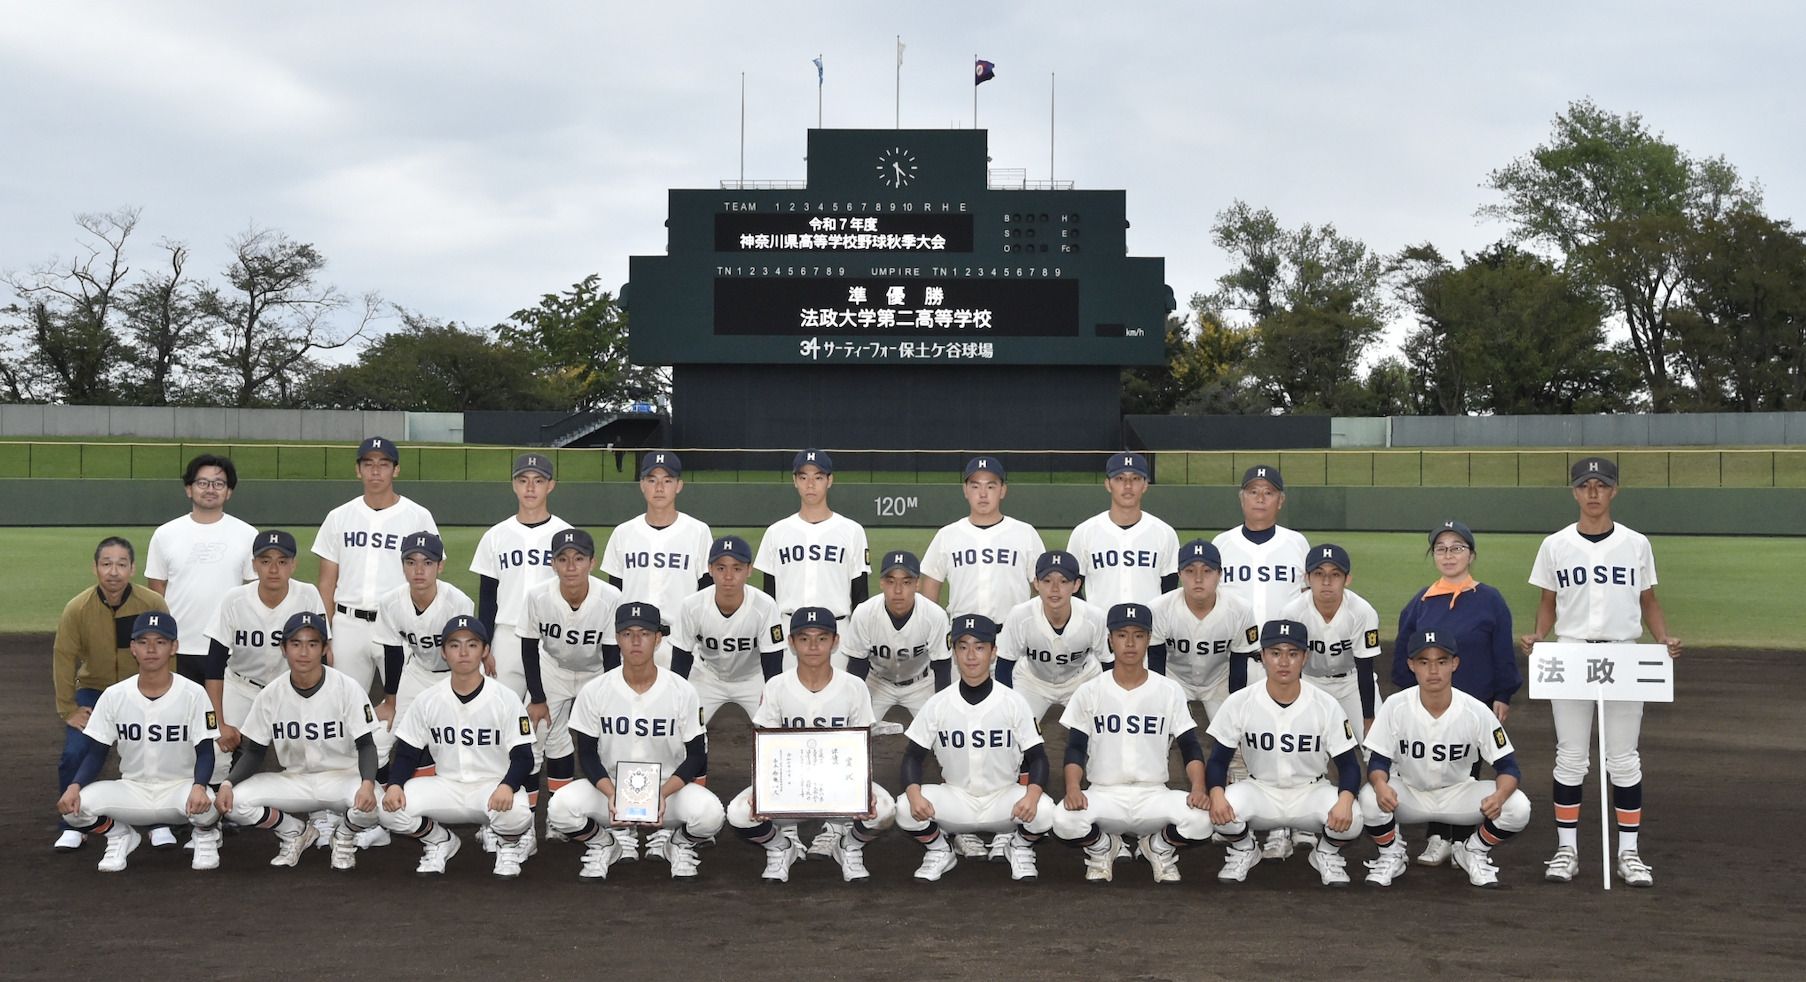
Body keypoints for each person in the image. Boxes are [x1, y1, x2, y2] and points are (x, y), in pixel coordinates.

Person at [1522, 456, 1681, 888]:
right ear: (1574, 492)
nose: (1593, 492)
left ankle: (1629, 854)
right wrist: (1538, 635)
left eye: (1601, 485)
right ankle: (1566, 850)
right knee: (1571, 758)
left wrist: (1663, 638)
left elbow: (1648, 601)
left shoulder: (1636, 544)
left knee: (1624, 760)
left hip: (1624, 654)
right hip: (1571, 654)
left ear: (1614, 491)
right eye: (1585, 485)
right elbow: (1548, 603)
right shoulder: (1555, 544)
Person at [546, 602, 725, 881]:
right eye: (628, 634)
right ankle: (605, 843)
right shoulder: (595, 691)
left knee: (711, 815)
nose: (636, 641)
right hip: (612, 787)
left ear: (658, 638)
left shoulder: (682, 690)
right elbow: (588, 755)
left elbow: (695, 756)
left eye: (644, 633)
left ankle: (676, 843)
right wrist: (610, 794)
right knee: (559, 808)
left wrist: (663, 794)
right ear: (617, 638)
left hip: (669, 789)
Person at [724, 608, 896, 884]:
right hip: (790, 785)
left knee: (884, 809)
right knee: (739, 812)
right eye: (804, 639)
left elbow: (862, 748)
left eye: (822, 638)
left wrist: (864, 790)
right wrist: (762, 790)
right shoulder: (777, 686)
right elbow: (767, 749)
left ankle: (848, 846)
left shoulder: (854, 686)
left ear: (835, 641)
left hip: (841, 784)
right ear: (791, 643)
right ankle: (781, 847)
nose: (813, 646)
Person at [1052, 603, 1213, 884]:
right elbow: (1075, 748)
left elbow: (1190, 746)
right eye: (1122, 634)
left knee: (1202, 820)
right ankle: (1104, 847)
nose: (1130, 643)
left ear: (1149, 639)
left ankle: (1158, 847)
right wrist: (1073, 788)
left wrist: (1199, 788)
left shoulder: (1168, 690)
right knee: (1063, 820)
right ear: (1110, 640)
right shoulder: (1090, 691)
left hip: (1154, 795)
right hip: (1103, 795)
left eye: (1138, 635)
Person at [1392, 519, 1521, 867]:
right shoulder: (1421, 601)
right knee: (1432, 766)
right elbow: (1404, 651)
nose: (1448, 555)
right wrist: (1409, 698)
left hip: (1475, 701)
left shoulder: (1489, 599)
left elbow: (1502, 652)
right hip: (1429, 703)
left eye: (1457, 548)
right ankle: (1438, 837)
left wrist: (1503, 695)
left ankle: (1463, 839)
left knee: (1466, 768)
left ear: (1471, 555)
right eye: (1441, 549)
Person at [1359, 631, 1531, 888]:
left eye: (1441, 661)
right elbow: (1379, 762)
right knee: (1369, 797)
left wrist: (1499, 796)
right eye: (1424, 662)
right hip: (1409, 794)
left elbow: (1508, 766)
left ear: (1454, 664)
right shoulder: (1395, 706)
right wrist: (1381, 784)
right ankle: (1392, 853)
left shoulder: (1476, 711)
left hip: (1459, 795)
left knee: (1517, 807)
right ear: (1412, 666)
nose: (1433, 670)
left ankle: (1473, 850)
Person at [214, 612, 383, 870]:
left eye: (312, 644)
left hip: (341, 779)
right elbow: (255, 752)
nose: (304, 652)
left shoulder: (347, 688)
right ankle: (294, 831)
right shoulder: (270, 694)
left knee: (377, 808)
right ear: (284, 648)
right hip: (294, 781)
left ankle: (344, 835)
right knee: (233, 802)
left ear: (325, 648)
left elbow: (366, 745)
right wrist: (227, 783)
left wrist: (368, 784)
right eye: (296, 644)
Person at [56, 611, 222, 872]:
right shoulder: (114, 695)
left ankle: (205, 835)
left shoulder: (194, 694)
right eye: (143, 642)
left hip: (179, 791)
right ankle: (120, 834)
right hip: (132, 791)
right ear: (133, 648)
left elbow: (205, 752)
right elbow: (96, 753)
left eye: (160, 642)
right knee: (73, 809)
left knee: (209, 804)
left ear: (174, 647)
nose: (152, 649)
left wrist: (199, 786)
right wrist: (75, 785)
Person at [897, 614, 1055, 882]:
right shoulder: (937, 703)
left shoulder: (1013, 702)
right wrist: (914, 794)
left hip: (1005, 801)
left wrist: (1031, 795)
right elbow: (912, 756)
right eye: (963, 646)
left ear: (993, 652)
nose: (971, 655)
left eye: (979, 646)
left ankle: (1019, 846)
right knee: (903, 807)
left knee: (1046, 809)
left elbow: (1038, 758)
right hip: (955, 799)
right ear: (954, 652)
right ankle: (939, 850)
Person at [1207, 619, 1364, 888]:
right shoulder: (1240, 702)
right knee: (1219, 811)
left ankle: (1325, 853)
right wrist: (1217, 794)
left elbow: (1349, 765)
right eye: (1276, 653)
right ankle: (1246, 848)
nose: (1284, 662)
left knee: (1354, 820)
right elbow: (1218, 760)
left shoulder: (1326, 705)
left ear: (1305, 657)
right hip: (1259, 790)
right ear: (1263, 656)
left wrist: (1346, 799)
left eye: (1292, 654)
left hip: (1311, 793)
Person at [377, 615, 536, 877]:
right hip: (446, 786)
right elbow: (407, 753)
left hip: (492, 786)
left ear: (485, 651)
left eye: (472, 645)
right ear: (443, 652)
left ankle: (508, 845)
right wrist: (394, 784)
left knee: (518, 813)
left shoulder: (505, 699)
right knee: (389, 809)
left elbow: (524, 757)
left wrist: (507, 785)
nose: (463, 652)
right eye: (454, 645)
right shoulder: (428, 699)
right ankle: (439, 840)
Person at [1212, 464, 1312, 858]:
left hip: (1282, 659)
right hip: (1236, 659)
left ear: (1280, 500)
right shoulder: (1222, 544)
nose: (1259, 498)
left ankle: (1289, 825)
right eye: (1252, 491)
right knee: (1240, 741)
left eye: (1268, 492)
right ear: (1241, 498)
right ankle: (1240, 818)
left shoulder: (1296, 543)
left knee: (1285, 740)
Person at [52, 536, 169, 851]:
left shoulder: (152, 604)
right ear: (95, 568)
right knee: (75, 753)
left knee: (155, 750)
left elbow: (168, 650)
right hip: (94, 691)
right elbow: (64, 657)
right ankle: (72, 824)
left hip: (141, 690)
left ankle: (158, 823)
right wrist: (68, 709)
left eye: (120, 564)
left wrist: (165, 694)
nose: (113, 571)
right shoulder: (78, 608)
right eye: (106, 564)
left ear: (132, 568)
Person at [313, 436, 440, 696]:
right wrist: (324, 632)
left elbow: (434, 571)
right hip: (348, 624)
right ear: (358, 469)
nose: (375, 470)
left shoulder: (417, 516)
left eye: (383, 464)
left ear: (396, 470)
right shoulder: (339, 517)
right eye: (368, 463)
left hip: (396, 623)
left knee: (406, 700)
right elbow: (326, 583)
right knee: (341, 702)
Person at [201, 531, 325, 788]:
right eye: (265, 560)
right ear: (254, 564)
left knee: (315, 746)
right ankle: (210, 820)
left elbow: (320, 657)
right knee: (215, 747)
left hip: (289, 688)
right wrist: (220, 722)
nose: (273, 569)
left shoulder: (308, 596)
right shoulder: (234, 599)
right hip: (240, 686)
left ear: (293, 565)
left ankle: (319, 814)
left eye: (282, 561)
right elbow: (214, 664)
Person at [517, 529, 622, 813]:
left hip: (596, 672)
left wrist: (609, 696)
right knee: (537, 735)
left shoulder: (611, 597)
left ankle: (612, 813)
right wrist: (537, 698)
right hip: (554, 671)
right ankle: (529, 819)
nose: (571, 566)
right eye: (563, 559)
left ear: (593, 563)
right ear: (552, 563)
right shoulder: (538, 596)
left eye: (579, 558)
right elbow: (529, 647)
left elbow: (613, 654)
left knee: (610, 740)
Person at [145, 453, 256, 685]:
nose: (210, 489)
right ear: (189, 488)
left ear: (229, 491)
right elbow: (157, 591)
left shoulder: (247, 535)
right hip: (178, 646)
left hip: (228, 647)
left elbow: (253, 593)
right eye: (202, 483)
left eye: (219, 484)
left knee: (221, 719)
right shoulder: (165, 534)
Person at [471, 452, 572, 704]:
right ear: (514, 485)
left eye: (538, 481)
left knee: (544, 719)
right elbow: (487, 596)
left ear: (550, 486)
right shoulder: (496, 536)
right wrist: (484, 643)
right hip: (507, 635)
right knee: (498, 711)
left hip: (551, 636)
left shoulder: (566, 535)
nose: (530, 487)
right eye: (523, 479)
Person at [601, 450, 713, 665]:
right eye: (652, 480)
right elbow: (615, 596)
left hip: (682, 641)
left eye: (667, 480)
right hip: (634, 642)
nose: (659, 488)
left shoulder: (697, 531)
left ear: (679, 485)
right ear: (642, 484)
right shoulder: (624, 533)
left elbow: (705, 594)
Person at [372, 531, 476, 759]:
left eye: (427, 563)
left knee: (462, 742)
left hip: (455, 677)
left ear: (440, 566)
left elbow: (466, 658)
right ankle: (378, 794)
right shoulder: (390, 603)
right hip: (417, 674)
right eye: (411, 562)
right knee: (378, 738)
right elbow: (393, 652)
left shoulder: (458, 603)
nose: (419, 571)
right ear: (402, 566)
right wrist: (390, 702)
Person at [668, 535, 787, 724]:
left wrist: (773, 698)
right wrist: (677, 698)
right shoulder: (692, 605)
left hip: (752, 678)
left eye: (737, 568)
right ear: (710, 569)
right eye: (721, 568)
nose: (729, 576)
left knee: (772, 725)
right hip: (707, 676)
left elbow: (773, 661)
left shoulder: (764, 606)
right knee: (682, 722)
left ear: (749, 570)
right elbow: (681, 657)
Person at [754, 449, 871, 632]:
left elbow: (860, 597)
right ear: (794, 481)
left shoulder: (852, 531)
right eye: (803, 477)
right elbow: (768, 598)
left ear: (829, 480)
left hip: (837, 630)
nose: (810, 485)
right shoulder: (776, 532)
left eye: (818, 477)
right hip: (788, 629)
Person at [920, 456, 1045, 624]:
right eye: (975, 486)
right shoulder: (947, 534)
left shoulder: (1025, 533)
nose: (983, 494)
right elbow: (930, 592)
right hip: (963, 639)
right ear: (965, 490)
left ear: (1002, 491)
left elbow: (1042, 588)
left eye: (991, 486)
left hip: (1013, 637)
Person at [839, 550, 952, 736]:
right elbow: (856, 668)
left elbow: (942, 668)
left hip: (921, 684)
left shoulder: (934, 615)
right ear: (881, 582)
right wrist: (857, 708)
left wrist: (941, 711)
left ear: (917, 584)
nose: (898, 590)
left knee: (941, 734)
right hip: (877, 682)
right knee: (853, 732)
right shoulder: (864, 613)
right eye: (891, 582)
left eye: (906, 582)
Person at [1148, 539, 1260, 721]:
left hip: (1219, 682)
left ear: (1220, 574)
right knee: (1158, 736)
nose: (1198, 579)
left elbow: (1239, 663)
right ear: (1179, 574)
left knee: (1236, 741)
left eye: (1207, 571)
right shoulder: (1159, 608)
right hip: (1174, 680)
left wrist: (1234, 709)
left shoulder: (1240, 609)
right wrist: (1161, 702)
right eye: (1190, 571)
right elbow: (1156, 661)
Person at [995, 551, 1111, 723]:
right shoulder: (1020, 616)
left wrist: (1106, 702)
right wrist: (1008, 707)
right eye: (1047, 581)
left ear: (1077, 585)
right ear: (1036, 583)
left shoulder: (1094, 618)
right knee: (1011, 729)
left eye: (1063, 581)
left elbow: (1109, 664)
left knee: (1100, 731)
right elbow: (1004, 666)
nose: (1055, 588)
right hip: (1032, 682)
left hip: (1081, 680)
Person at [1065, 452, 1179, 611]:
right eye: (1120, 478)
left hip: (1149, 632)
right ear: (1108, 484)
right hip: (1100, 632)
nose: (1128, 485)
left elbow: (1170, 592)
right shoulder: (1085, 532)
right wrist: (1092, 620)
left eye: (1135, 478)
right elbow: (1071, 588)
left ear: (1145, 485)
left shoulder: (1165, 533)